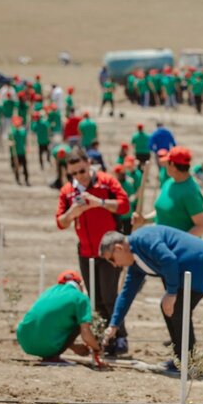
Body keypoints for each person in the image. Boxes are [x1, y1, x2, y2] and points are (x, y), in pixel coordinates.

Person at [99, 227, 203, 372]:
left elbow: (168, 259)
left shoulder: (143, 238)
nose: (114, 265)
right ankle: (182, 359)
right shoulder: (135, 263)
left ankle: (186, 362)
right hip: (189, 268)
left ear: (118, 248)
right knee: (171, 308)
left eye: (111, 259)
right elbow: (127, 293)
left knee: (177, 308)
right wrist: (114, 324)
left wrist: (171, 293)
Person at [55, 147, 130, 355]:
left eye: (81, 170)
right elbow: (60, 222)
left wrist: (100, 203)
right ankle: (102, 337)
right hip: (86, 252)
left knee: (109, 296)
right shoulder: (68, 191)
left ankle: (120, 337)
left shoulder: (106, 181)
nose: (79, 176)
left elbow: (125, 206)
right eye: (74, 173)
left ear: (88, 163)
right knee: (95, 299)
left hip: (109, 251)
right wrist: (73, 211)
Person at [16, 270, 102, 362]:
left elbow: (46, 323)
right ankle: (52, 356)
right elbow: (85, 333)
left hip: (24, 341)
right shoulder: (80, 297)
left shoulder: (49, 291)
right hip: (47, 347)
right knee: (80, 321)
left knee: (58, 318)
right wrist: (97, 349)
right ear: (80, 285)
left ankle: (50, 353)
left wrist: (73, 347)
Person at [133, 146, 203, 236]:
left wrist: (179, 243)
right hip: (163, 242)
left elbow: (201, 227)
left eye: (166, 163)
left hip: (177, 248)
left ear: (173, 165)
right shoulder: (169, 183)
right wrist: (144, 219)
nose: (164, 166)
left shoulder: (190, 192)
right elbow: (165, 213)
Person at [112, 164, 136, 235]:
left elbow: (132, 195)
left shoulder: (128, 184)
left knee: (127, 233)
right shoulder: (114, 184)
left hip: (127, 214)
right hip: (118, 214)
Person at [8, 116, 29, 186]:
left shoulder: (23, 131)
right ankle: (17, 180)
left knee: (25, 167)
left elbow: (25, 141)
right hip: (14, 153)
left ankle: (26, 180)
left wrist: (26, 148)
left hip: (22, 152)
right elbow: (9, 141)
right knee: (16, 167)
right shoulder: (11, 132)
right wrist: (11, 143)